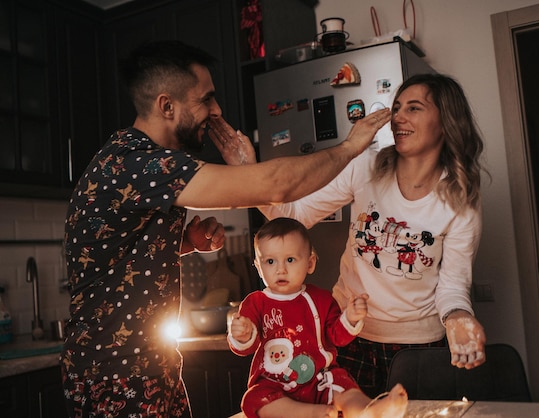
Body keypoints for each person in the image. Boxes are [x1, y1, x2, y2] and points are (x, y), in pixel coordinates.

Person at [61, 39, 391, 417]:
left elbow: (117, 250)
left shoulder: (134, 161)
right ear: (167, 106)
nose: (216, 110)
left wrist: (182, 243)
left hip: (147, 365)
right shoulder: (140, 163)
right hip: (117, 374)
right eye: (206, 99)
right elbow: (277, 185)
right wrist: (349, 148)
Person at [212, 73, 489, 398]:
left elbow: (453, 286)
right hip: (346, 335)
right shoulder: (366, 167)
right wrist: (249, 172)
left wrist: (458, 318)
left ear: (445, 122)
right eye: (397, 107)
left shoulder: (460, 200)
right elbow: (292, 214)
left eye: (414, 108)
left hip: (419, 347)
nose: (398, 116)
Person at [228, 217, 408, 418]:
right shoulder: (255, 302)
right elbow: (245, 348)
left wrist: (351, 317)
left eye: (290, 260)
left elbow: (336, 337)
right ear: (259, 267)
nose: (281, 269)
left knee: (344, 387)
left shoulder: (321, 298)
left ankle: (371, 410)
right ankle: (312, 413)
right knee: (254, 398)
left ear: (310, 263)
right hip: (275, 384)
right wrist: (243, 335)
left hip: (320, 378)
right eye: (270, 261)